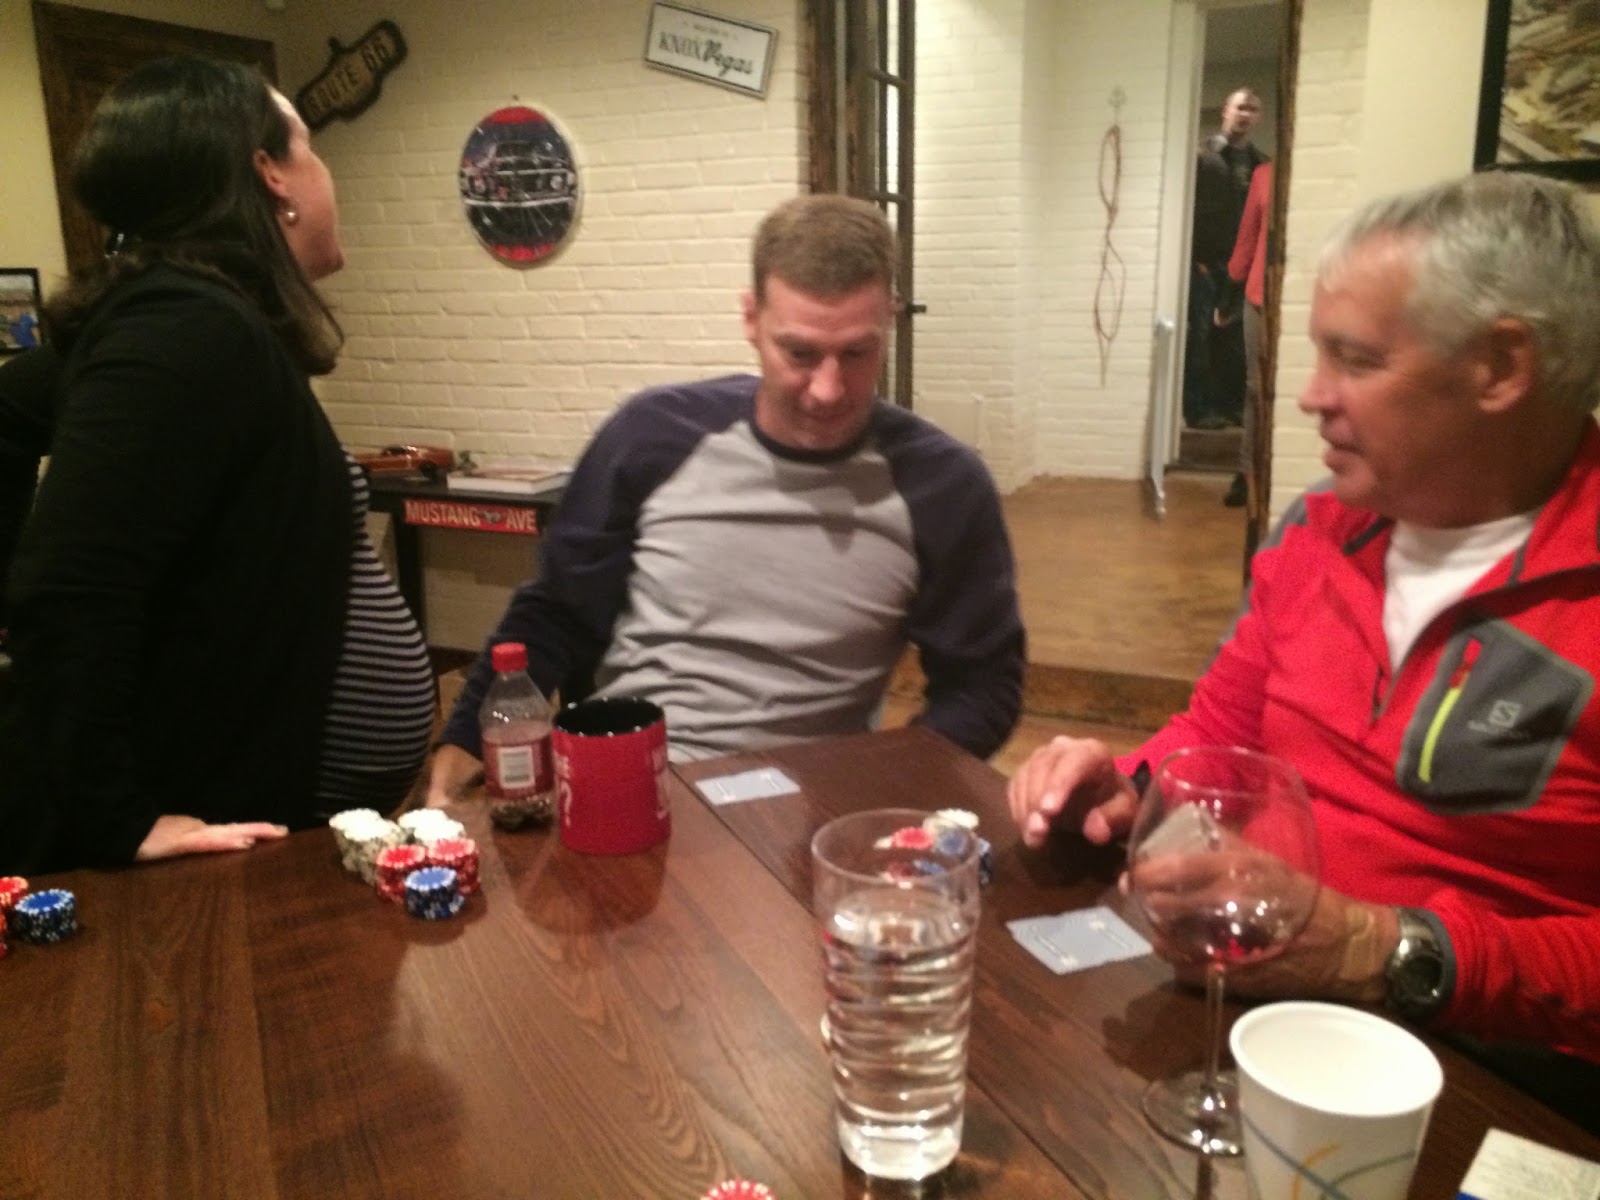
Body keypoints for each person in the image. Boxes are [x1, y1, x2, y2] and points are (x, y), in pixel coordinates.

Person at [1007, 172, 1600, 1105]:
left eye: (1355, 360)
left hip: (1497, 1079)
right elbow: (1219, 736)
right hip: (1258, 1017)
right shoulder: (1320, 527)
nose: (1311, 397)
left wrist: (1379, 950)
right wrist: (1131, 786)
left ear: (1500, 366)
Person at [428, 193, 1025, 802]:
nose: (827, 388)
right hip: (629, 779)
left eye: (856, 353)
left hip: (809, 800)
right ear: (751, 319)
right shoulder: (652, 437)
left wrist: (885, 783)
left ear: (889, 322)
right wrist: (464, 744)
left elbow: (982, 685)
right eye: (800, 353)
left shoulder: (941, 484)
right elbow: (555, 610)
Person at [0, 56, 435, 875]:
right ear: (271, 175)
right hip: (210, 840)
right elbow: (68, 587)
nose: (326, 173)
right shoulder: (186, 326)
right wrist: (116, 817)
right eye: (311, 147)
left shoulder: (198, 322)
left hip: (270, 813)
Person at [1183, 88, 1267, 433]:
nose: (1245, 114)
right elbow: (1186, 212)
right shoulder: (1201, 157)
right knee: (1199, 338)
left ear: (1258, 117)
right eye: (1240, 107)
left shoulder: (1262, 164)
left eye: (1252, 109)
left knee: (1233, 342)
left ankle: (1230, 407)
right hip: (1204, 263)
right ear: (1225, 111)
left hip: (1242, 269)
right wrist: (1194, 260)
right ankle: (1198, 410)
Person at [1217, 161, 1273, 508]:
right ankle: (1247, 471)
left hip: (1302, 297)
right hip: (1258, 297)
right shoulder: (1263, 174)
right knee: (1255, 387)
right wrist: (1229, 292)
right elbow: (1248, 237)